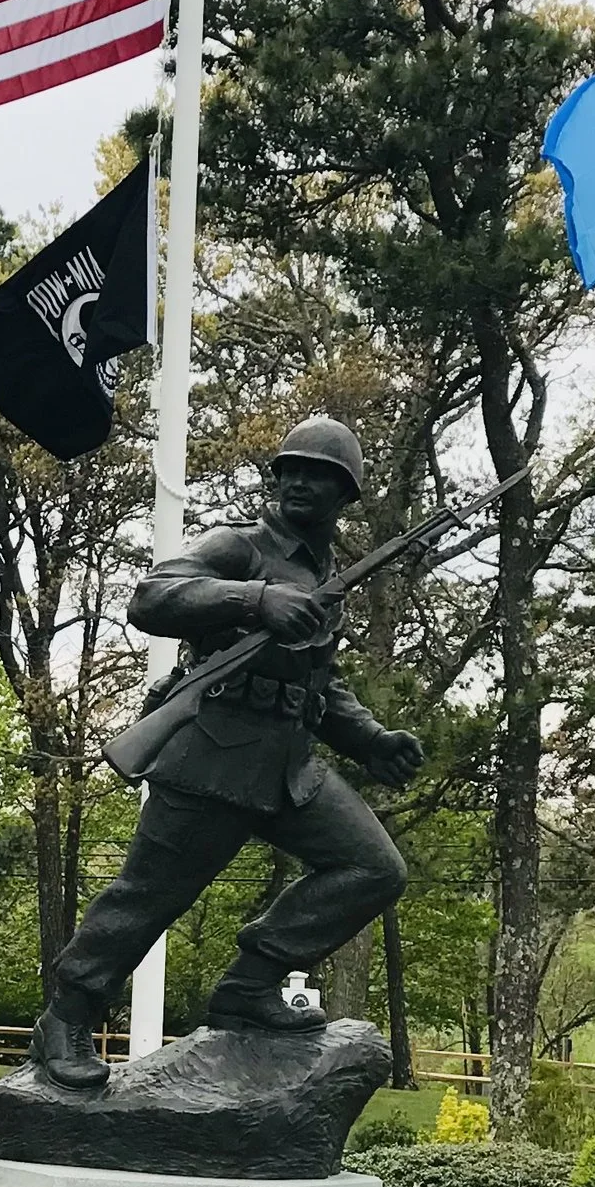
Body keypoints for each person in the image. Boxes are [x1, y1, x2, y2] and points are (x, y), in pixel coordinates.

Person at [31, 417, 423, 1089]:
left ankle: (250, 982)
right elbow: (152, 595)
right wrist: (254, 598)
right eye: (291, 469)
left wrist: (371, 738)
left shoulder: (329, 574)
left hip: (288, 765)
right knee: (147, 899)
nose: (301, 481)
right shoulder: (238, 548)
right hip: (211, 754)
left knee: (373, 868)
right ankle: (67, 1013)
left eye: (319, 474)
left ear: (345, 494)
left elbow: (318, 683)